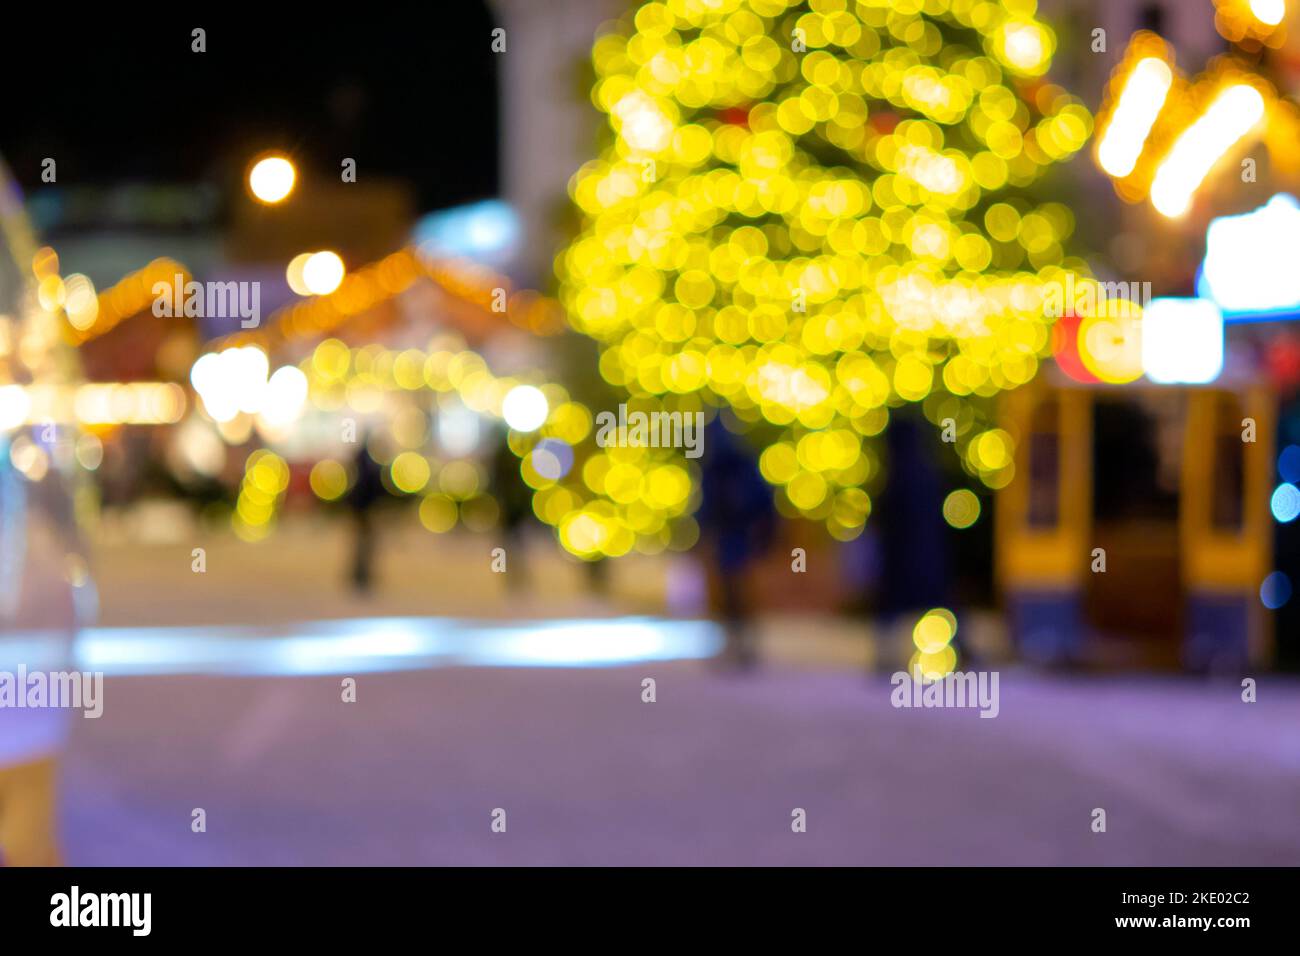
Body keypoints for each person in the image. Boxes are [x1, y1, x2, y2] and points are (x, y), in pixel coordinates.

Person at [697, 419, 776, 668]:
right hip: (725, 538)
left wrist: (762, 535)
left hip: (742, 537)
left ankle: (743, 643)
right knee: (725, 592)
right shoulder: (714, 469)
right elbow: (706, 507)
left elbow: (761, 503)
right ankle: (732, 642)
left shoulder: (740, 468)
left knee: (742, 591)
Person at [345, 436, 385, 594]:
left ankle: (360, 574)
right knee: (365, 544)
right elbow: (374, 490)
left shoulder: (356, 471)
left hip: (361, 511)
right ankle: (361, 575)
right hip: (365, 512)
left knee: (362, 544)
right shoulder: (369, 470)